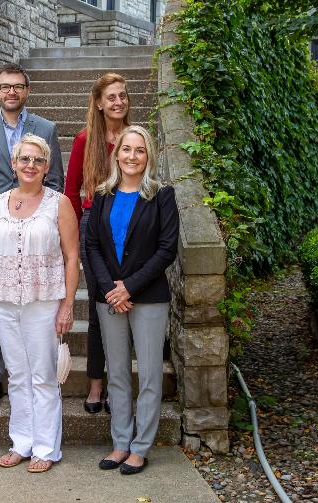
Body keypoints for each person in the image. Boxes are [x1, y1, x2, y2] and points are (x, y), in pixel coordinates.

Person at [0, 133, 79, 473]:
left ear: (47, 167)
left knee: (43, 376)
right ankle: (21, 442)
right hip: (4, 300)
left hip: (43, 300)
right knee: (17, 375)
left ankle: (46, 448)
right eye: (24, 159)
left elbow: (72, 256)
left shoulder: (58, 203)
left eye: (37, 160)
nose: (30, 165)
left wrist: (68, 304)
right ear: (14, 164)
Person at [0, 63, 65, 409]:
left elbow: (56, 182)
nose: (11, 92)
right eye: (5, 86)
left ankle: (37, 371)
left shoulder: (46, 128)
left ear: (27, 91)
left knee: (34, 305)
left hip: (35, 230)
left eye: (18, 86)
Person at [85, 125, 179, 475]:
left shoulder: (161, 196)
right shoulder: (102, 194)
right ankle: (121, 443)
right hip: (109, 296)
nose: (132, 156)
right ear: (117, 154)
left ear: (148, 155)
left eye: (140, 150)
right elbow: (91, 245)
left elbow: (166, 250)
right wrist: (113, 288)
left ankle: (141, 447)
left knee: (151, 374)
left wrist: (130, 287)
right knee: (118, 374)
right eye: (126, 149)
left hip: (149, 297)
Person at [65, 72, 131, 414]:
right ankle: (95, 384)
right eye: (111, 97)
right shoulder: (84, 140)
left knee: (127, 300)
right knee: (98, 308)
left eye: (122, 95)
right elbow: (71, 194)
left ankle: (121, 382)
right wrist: (74, 241)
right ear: (99, 102)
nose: (118, 102)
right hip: (94, 227)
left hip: (131, 226)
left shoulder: (135, 139)